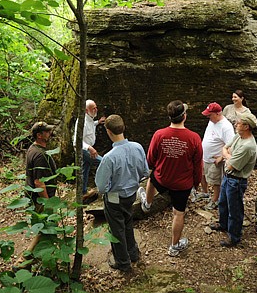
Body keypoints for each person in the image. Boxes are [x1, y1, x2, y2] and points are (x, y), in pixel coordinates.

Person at [137, 100, 203, 257]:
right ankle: (174, 246)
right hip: (182, 184)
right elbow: (197, 165)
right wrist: (195, 184)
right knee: (178, 214)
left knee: (152, 178)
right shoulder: (194, 138)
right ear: (184, 116)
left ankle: (147, 203)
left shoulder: (159, 134)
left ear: (170, 117)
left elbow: (151, 160)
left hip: (162, 179)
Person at [95, 115, 150, 272]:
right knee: (127, 222)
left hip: (114, 198)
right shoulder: (138, 147)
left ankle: (123, 262)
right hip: (131, 194)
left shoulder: (109, 158)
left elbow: (101, 187)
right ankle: (133, 253)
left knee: (116, 228)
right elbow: (145, 172)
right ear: (123, 127)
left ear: (108, 131)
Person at [210, 113, 257, 247]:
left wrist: (227, 156)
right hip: (228, 177)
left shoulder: (248, 146)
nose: (236, 124)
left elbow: (231, 164)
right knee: (223, 203)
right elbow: (225, 148)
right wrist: (228, 155)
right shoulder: (239, 136)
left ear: (246, 126)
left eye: (239, 123)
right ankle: (223, 224)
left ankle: (234, 237)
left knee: (235, 209)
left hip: (236, 181)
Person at [17, 121, 57, 268]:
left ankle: (45, 258)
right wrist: (48, 203)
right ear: (39, 135)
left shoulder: (33, 149)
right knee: (46, 228)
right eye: (46, 132)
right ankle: (23, 261)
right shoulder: (39, 154)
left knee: (47, 228)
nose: (49, 133)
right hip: (40, 199)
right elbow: (39, 182)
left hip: (34, 197)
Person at [200, 102, 235, 211]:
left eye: (209, 115)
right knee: (202, 174)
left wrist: (221, 157)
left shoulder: (226, 127)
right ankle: (205, 193)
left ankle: (215, 200)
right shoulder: (212, 121)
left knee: (216, 181)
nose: (208, 117)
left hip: (216, 159)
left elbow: (230, 145)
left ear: (218, 113)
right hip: (205, 156)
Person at [73, 99, 106, 201]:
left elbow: (90, 125)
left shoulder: (89, 119)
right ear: (86, 110)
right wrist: (89, 148)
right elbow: (76, 141)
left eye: (96, 107)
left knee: (85, 170)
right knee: (104, 162)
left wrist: (97, 122)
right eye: (93, 108)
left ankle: (82, 193)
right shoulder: (82, 122)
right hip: (83, 149)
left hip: (87, 148)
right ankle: (108, 188)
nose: (96, 110)